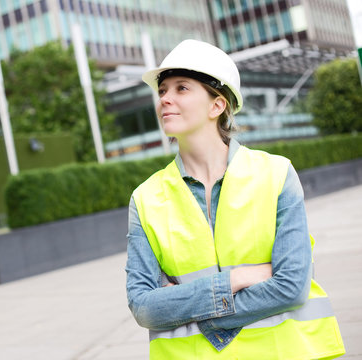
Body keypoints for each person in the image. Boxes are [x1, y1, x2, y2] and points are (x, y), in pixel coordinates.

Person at [125, 39, 345, 359]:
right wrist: (236, 280)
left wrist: (188, 307)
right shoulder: (144, 198)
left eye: (181, 88)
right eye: (162, 91)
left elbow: (291, 286)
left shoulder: (276, 174)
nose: (165, 100)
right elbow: (144, 308)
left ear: (217, 105)